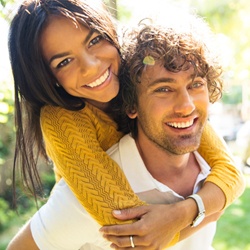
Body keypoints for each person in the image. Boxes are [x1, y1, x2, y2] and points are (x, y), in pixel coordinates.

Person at [7, 0, 245, 249]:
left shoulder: (140, 73)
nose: (91, 66)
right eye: (64, 62)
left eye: (94, 40)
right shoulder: (62, 121)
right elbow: (135, 230)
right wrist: (209, 209)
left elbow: (230, 172)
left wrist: (186, 212)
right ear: (48, 78)